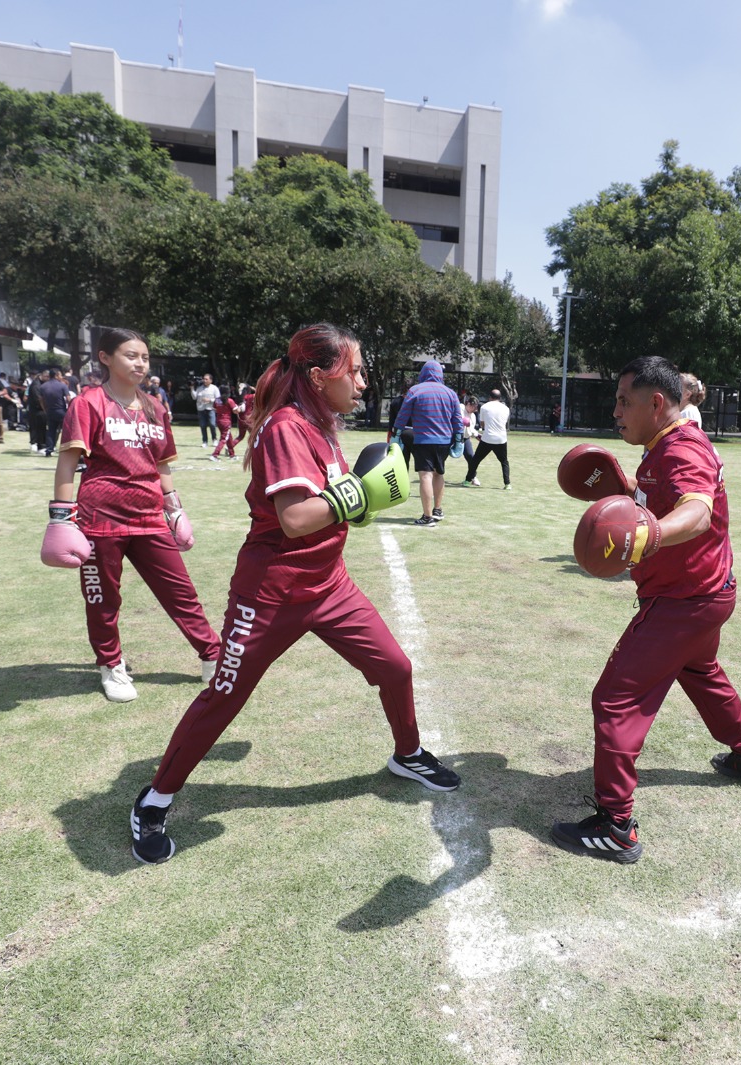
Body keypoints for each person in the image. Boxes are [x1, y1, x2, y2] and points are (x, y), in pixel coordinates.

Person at [128, 323, 455, 865]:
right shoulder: (286, 426)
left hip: (330, 584)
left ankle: (408, 753)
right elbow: (296, 518)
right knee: (225, 695)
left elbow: (330, 503)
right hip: (271, 593)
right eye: (355, 372)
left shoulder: (321, 424)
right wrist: (360, 494)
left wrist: (358, 502)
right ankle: (155, 800)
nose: (363, 383)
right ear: (320, 376)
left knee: (395, 667)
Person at [550, 356, 741, 864]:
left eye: (623, 402)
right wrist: (624, 492)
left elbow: (696, 513)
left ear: (656, 403)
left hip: (682, 601)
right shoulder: (665, 445)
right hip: (709, 594)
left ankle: (616, 827)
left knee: (615, 699)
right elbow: (664, 499)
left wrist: (644, 534)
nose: (616, 412)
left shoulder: (681, 449)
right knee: (701, 672)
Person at [41, 328, 222, 702]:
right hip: (99, 519)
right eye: (130, 355)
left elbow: (162, 464)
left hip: (150, 516)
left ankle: (212, 656)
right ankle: (111, 665)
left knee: (181, 593)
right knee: (103, 602)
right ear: (105, 358)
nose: (140, 363)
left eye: (144, 357)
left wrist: (175, 509)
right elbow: (68, 462)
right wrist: (61, 518)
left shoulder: (155, 406)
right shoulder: (88, 403)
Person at [390, 359, 462, 526]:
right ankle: (437, 510)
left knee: (425, 476)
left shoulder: (415, 390)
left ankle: (427, 517)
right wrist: (459, 440)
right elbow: (457, 420)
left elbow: (403, 415)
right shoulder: (451, 393)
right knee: (439, 474)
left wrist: (396, 434)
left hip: (423, 439)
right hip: (444, 441)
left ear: (423, 373)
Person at [461, 387, 512, 489]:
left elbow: (483, 425)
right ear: (500, 398)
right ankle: (507, 484)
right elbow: (504, 423)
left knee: (476, 460)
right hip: (501, 439)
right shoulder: (506, 409)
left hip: (487, 438)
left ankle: (467, 481)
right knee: (504, 462)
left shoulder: (484, 407)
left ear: (490, 397)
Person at [38, 367, 72, 457]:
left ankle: (49, 449)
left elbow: (41, 400)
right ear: (56, 375)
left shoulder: (43, 386)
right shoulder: (62, 386)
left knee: (51, 431)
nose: (61, 376)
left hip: (50, 411)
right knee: (67, 430)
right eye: (60, 375)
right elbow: (68, 399)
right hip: (61, 411)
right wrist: (71, 410)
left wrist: (45, 409)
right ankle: (66, 448)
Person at [209, 390, 241, 460]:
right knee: (223, 439)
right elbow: (236, 411)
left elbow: (215, 409)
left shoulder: (217, 400)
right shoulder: (229, 400)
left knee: (229, 438)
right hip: (226, 422)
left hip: (219, 421)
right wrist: (239, 408)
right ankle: (214, 455)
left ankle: (232, 455)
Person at [191, 374, 220, 446]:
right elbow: (194, 397)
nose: (204, 380)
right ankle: (205, 441)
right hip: (201, 409)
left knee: (212, 424)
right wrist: (192, 388)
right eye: (204, 379)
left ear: (211, 380)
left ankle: (214, 439)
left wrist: (210, 400)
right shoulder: (199, 388)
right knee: (203, 425)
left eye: (206, 379)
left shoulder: (214, 388)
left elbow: (218, 400)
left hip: (211, 409)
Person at [26, 370, 50, 455]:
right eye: (47, 377)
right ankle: (40, 446)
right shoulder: (36, 385)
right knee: (39, 428)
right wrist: (45, 409)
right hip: (37, 410)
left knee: (41, 428)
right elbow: (38, 399)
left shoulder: (41, 383)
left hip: (40, 409)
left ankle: (41, 444)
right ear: (44, 376)